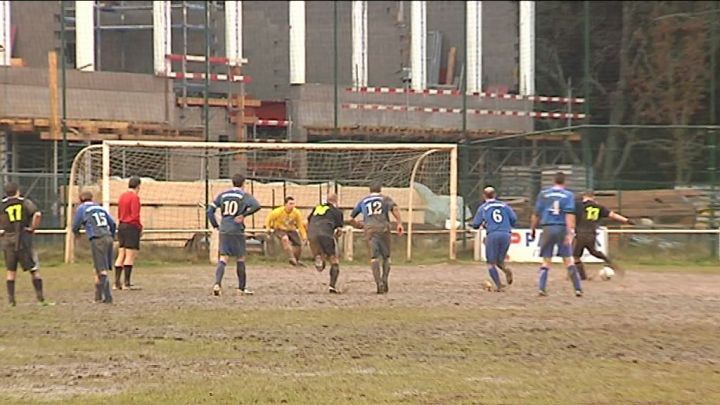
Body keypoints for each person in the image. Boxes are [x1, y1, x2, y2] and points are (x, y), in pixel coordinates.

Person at [208, 173, 261, 296]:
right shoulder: (243, 196)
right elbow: (257, 205)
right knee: (240, 258)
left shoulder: (223, 195)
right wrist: (244, 215)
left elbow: (210, 210)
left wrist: (216, 225)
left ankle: (217, 284)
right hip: (237, 230)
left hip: (224, 229)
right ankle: (241, 288)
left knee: (223, 258)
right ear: (243, 183)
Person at [530, 172, 583, 297]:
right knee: (568, 260)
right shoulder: (568, 195)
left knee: (546, 260)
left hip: (547, 227)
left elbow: (536, 214)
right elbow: (569, 214)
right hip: (561, 228)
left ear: (554, 181)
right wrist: (570, 232)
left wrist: (532, 229)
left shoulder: (544, 194)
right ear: (564, 182)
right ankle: (577, 289)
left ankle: (541, 288)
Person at [0, 182, 51, 306]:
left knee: (11, 271)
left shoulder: (2, 205)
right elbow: (37, 214)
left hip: (8, 240)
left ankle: (12, 300)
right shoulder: (24, 202)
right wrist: (32, 228)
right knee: (33, 269)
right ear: (17, 191)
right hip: (23, 239)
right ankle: (40, 298)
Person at [350, 181, 404, 294]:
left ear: (369, 190)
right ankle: (385, 278)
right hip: (383, 227)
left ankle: (378, 282)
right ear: (380, 189)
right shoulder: (385, 199)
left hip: (370, 229)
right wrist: (399, 223)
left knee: (374, 257)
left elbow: (351, 218)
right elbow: (394, 208)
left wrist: (359, 225)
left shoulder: (363, 201)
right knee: (386, 256)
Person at [574, 190, 634, 280]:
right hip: (592, 234)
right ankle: (609, 261)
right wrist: (627, 220)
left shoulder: (579, 206)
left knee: (575, 257)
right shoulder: (599, 207)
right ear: (593, 197)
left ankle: (583, 277)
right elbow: (612, 215)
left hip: (580, 233)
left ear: (584, 196)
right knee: (593, 251)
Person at [72, 190, 117, 304]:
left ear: (81, 199)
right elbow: (112, 223)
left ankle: (108, 297)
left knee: (101, 270)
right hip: (108, 237)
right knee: (99, 267)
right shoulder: (100, 208)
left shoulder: (82, 209)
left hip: (97, 239)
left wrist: (77, 234)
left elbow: (75, 225)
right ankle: (98, 297)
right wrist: (111, 235)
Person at [471, 186, 517, 291]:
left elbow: (476, 224)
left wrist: (481, 224)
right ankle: (506, 270)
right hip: (506, 234)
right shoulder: (504, 206)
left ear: (484, 196)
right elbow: (514, 218)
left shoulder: (483, 208)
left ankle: (499, 285)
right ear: (495, 195)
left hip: (493, 234)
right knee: (499, 260)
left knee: (490, 262)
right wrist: (508, 225)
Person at [307, 193, 345, 293]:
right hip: (326, 233)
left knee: (319, 250)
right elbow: (339, 230)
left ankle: (319, 257)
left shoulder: (316, 208)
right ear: (336, 201)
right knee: (334, 260)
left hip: (312, 233)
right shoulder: (337, 212)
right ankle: (332, 286)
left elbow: (309, 220)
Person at [114, 176, 142, 290]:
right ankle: (126, 283)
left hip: (122, 225)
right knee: (130, 255)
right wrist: (139, 227)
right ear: (138, 186)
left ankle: (116, 283)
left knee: (121, 253)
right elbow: (135, 215)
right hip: (131, 226)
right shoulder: (134, 197)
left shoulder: (122, 196)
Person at [265, 196, 308, 266]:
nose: (292, 206)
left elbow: (300, 225)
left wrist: (304, 236)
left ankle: (296, 260)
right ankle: (291, 257)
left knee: (298, 245)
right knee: (285, 239)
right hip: (280, 229)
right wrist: (268, 228)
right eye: (290, 204)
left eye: (293, 204)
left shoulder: (296, 213)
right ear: (285, 204)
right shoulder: (277, 212)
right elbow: (268, 219)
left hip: (291, 230)